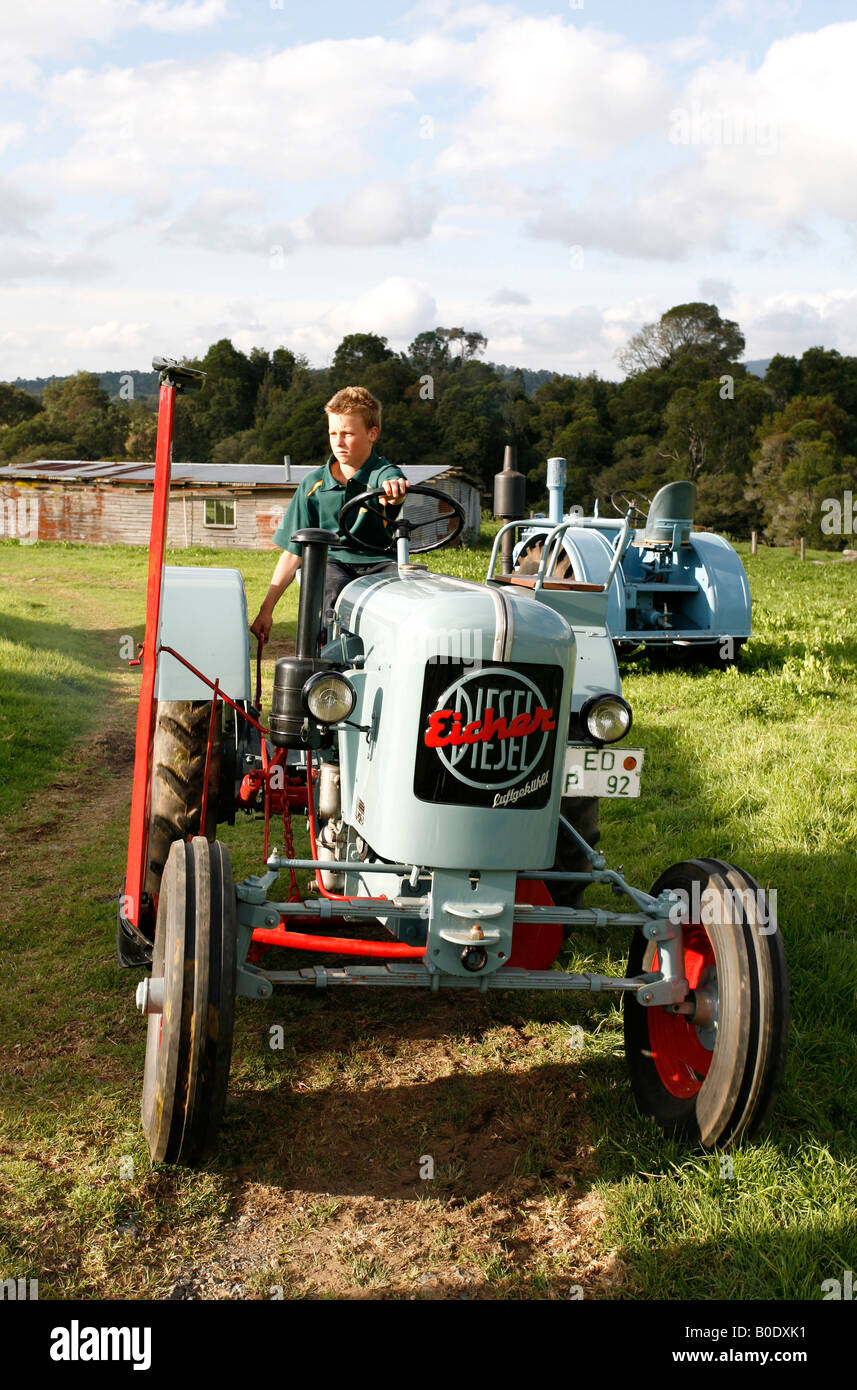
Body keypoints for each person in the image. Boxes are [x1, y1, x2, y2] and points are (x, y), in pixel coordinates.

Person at [250, 386, 409, 645]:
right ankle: (327, 667)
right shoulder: (313, 485)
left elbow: (394, 486)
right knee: (330, 590)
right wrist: (266, 610)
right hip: (333, 561)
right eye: (333, 433)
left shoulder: (382, 473)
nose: (339, 441)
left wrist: (395, 492)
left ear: (372, 434)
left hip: (381, 561)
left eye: (347, 433)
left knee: (403, 595)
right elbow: (292, 553)